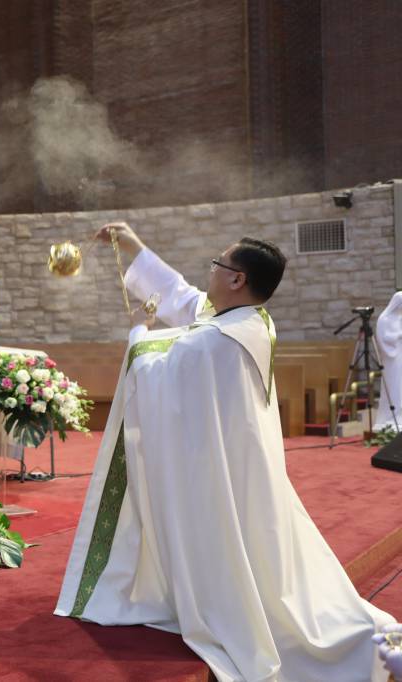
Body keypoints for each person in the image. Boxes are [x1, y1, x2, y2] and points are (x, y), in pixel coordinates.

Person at [54, 222, 394, 682]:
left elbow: (156, 376)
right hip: (244, 469)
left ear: (237, 279)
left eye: (218, 264)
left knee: (246, 572)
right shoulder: (247, 321)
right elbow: (184, 298)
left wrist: (138, 332)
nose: (210, 272)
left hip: (222, 479)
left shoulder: (218, 340)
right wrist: (134, 248)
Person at [374, 292, 402, 432]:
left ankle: (400, 415)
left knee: (400, 387)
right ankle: (390, 417)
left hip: (400, 356)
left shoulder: (399, 318)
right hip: (391, 360)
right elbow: (383, 338)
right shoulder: (384, 319)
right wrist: (399, 335)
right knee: (393, 387)